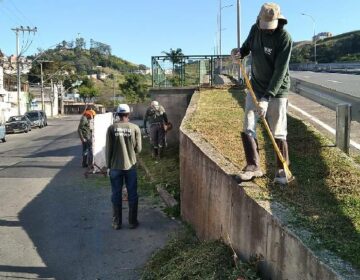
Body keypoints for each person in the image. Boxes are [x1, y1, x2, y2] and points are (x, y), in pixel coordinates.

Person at [231, 2, 292, 185]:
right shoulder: (255, 29)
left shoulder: (284, 38)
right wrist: (238, 53)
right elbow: (246, 48)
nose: (267, 30)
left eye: (270, 27)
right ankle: (253, 166)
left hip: (277, 91)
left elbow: (280, 72)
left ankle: (282, 169)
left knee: (277, 128)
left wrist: (267, 97)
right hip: (255, 87)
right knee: (249, 123)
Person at [106, 104, 142, 230]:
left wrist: (108, 166)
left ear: (118, 114)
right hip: (130, 167)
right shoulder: (135, 128)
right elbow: (139, 149)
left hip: (115, 167)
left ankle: (117, 223)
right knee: (132, 194)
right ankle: (132, 222)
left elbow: (108, 150)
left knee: (116, 194)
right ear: (128, 114)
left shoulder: (111, 128)